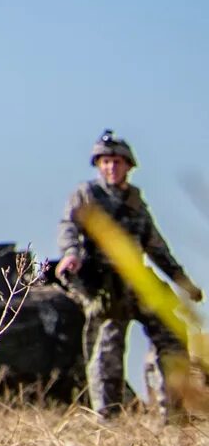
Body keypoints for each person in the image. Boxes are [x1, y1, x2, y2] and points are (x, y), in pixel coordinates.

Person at [55, 130, 196, 420]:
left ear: (128, 166)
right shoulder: (87, 195)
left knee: (173, 337)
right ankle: (108, 420)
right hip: (105, 285)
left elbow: (155, 245)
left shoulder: (135, 202)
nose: (111, 167)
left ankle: (173, 415)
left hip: (140, 284)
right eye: (105, 161)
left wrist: (182, 281)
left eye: (117, 161)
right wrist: (70, 254)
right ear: (98, 165)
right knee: (107, 352)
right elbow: (68, 227)